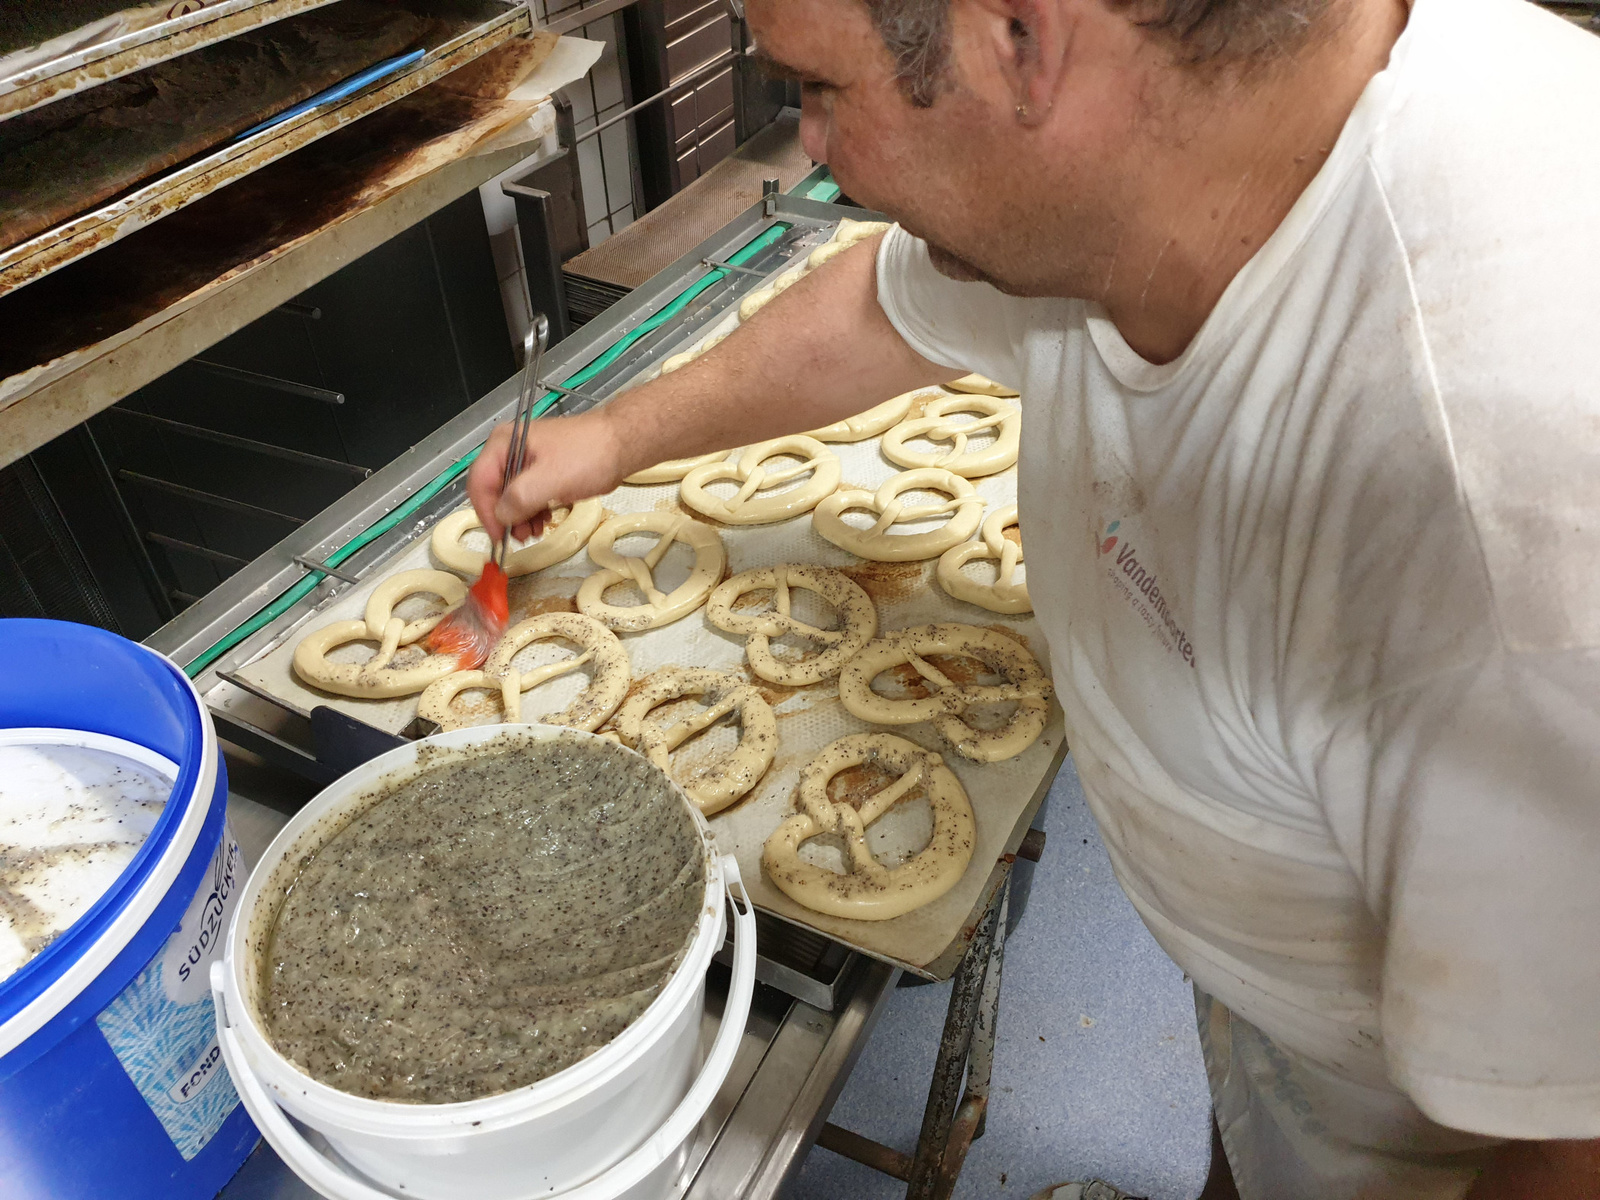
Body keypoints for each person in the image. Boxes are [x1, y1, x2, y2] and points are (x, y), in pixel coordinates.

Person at [467, 0, 1600, 1195]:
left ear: (1020, 34)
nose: (809, 145)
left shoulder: (1501, 520)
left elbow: (1575, 1141)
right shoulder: (1153, 157)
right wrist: (614, 437)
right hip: (1291, 1001)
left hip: (1443, 1138)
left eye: (820, 88)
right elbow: (883, 305)